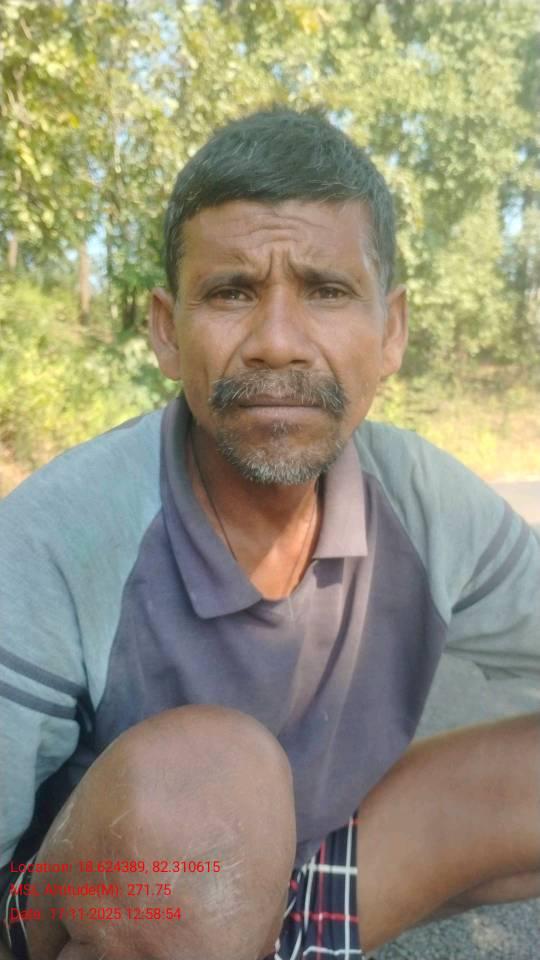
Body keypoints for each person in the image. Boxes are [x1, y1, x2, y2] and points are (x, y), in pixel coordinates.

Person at [1, 106, 539, 960]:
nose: (279, 343)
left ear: (391, 330)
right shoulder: (57, 539)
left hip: (293, 879)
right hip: (97, 903)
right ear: (166, 330)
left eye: (326, 291)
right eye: (232, 292)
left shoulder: (424, 501)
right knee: (206, 792)